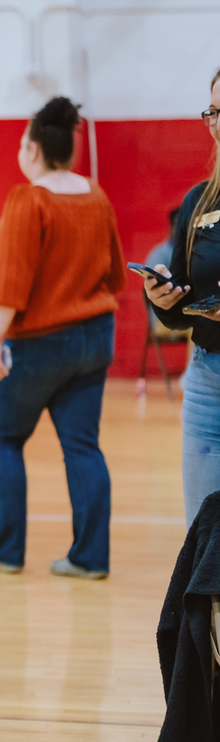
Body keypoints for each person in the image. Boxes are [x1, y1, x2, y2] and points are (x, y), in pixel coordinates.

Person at [0, 97, 125, 580]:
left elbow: (9, 287)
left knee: (6, 439)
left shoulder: (28, 200)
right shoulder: (97, 197)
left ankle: (5, 550)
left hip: (38, 345)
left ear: (33, 150)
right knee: (83, 448)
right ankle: (90, 558)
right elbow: (117, 277)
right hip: (95, 337)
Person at [145, 67, 220, 526]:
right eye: (212, 110)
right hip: (207, 380)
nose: (216, 121)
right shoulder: (198, 202)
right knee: (203, 536)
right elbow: (181, 315)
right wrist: (162, 298)